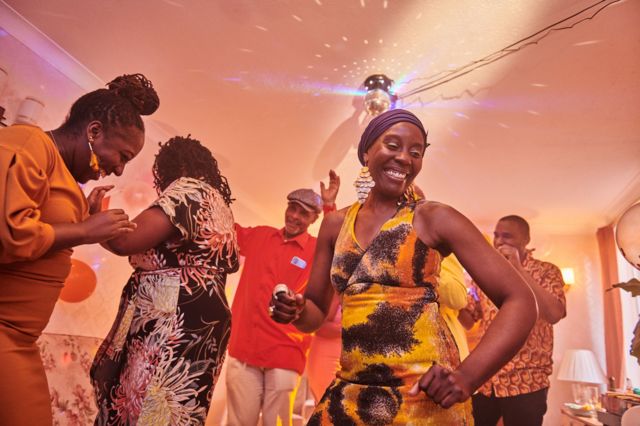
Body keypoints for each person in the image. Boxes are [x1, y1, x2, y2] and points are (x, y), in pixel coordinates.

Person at [271, 108, 538, 425]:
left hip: (421, 398)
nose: (405, 159)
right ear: (366, 151)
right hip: (351, 391)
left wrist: (467, 376)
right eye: (392, 145)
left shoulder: (434, 218)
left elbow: (521, 302)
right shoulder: (333, 225)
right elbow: (315, 311)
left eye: (416, 152)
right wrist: (296, 309)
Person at [0, 73, 159, 425]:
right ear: (94, 131)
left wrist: (84, 216)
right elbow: (9, 233)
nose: (118, 167)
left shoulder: (60, 170)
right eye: (122, 155)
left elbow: (45, 227)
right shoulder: (27, 143)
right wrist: (84, 230)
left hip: (21, 337)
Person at [90, 136, 239, 425]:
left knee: (146, 400)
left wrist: (94, 218)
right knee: (176, 408)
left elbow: (126, 241)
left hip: (174, 314)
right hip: (204, 317)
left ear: (171, 167)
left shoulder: (187, 190)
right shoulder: (218, 204)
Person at [225, 171, 340, 426]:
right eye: (293, 208)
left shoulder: (314, 249)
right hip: (244, 349)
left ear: (313, 219)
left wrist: (331, 205)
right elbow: (226, 228)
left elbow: (337, 246)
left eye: (304, 213)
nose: (295, 216)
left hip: (286, 353)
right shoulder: (261, 236)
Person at [461, 215, 567, 426]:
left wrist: (517, 269)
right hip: (485, 380)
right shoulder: (485, 274)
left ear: (525, 240)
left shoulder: (548, 271)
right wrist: (450, 295)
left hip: (526, 382)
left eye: (507, 236)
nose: (499, 241)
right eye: (496, 235)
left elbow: (555, 314)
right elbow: (468, 321)